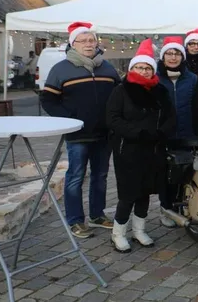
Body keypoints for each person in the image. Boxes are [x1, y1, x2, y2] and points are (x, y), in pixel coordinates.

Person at [40, 21, 120, 238]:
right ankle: (75, 220)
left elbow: (119, 96)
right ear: (72, 43)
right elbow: (48, 100)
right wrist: (69, 119)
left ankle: (97, 215)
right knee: (75, 176)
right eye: (82, 40)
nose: (88, 44)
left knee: (100, 176)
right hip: (78, 135)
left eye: (91, 40)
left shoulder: (107, 67)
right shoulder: (61, 69)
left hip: (104, 133)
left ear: (97, 43)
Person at [106, 39, 176, 252]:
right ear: (132, 68)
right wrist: (138, 133)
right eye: (139, 67)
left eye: (147, 68)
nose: (144, 71)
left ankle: (139, 230)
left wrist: (161, 132)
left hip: (153, 149)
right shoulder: (121, 91)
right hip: (128, 149)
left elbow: (170, 116)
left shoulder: (160, 91)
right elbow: (113, 118)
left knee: (145, 192)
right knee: (128, 194)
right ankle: (118, 233)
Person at [156, 36, 198, 227]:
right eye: (169, 54)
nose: (173, 58)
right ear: (163, 57)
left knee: (186, 172)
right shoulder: (155, 79)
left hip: (186, 133)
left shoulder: (192, 79)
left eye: (177, 54)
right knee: (166, 175)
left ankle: (186, 206)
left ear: (182, 56)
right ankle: (167, 208)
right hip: (163, 135)